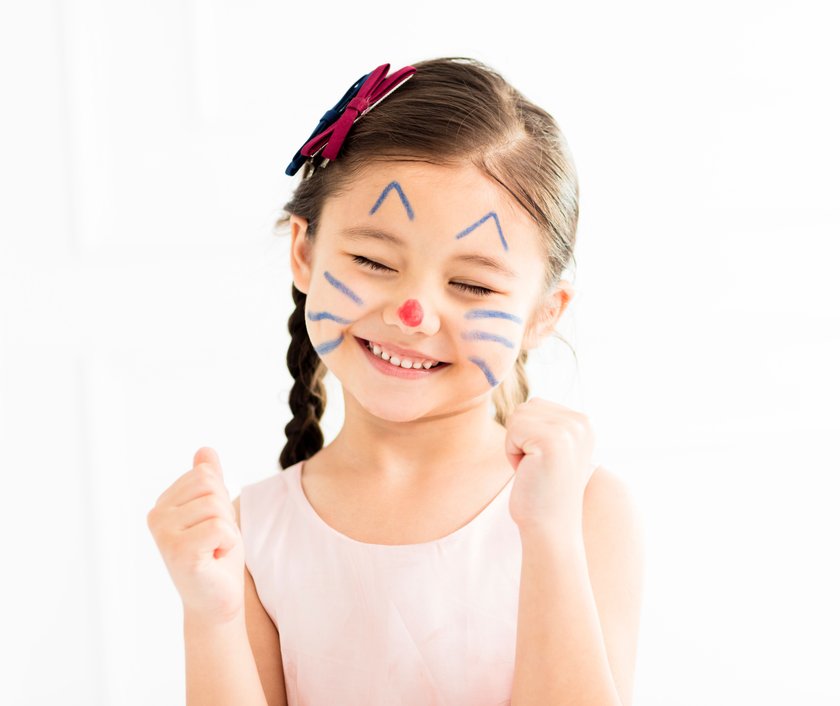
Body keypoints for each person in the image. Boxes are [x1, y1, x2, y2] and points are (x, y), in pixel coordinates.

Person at [147, 57, 645, 706]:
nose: (413, 314)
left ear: (542, 315)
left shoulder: (584, 513)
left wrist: (547, 533)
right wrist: (209, 619)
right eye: (373, 260)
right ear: (304, 251)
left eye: (470, 284)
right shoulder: (250, 535)